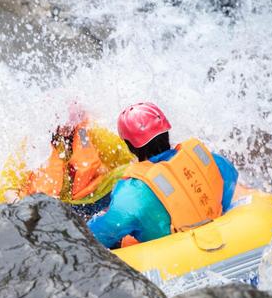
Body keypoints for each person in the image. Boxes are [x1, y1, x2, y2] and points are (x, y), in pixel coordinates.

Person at [88, 102, 238, 248]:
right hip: (227, 237)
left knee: (121, 234)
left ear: (130, 147)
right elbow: (231, 177)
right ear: (166, 131)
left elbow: (96, 237)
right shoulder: (206, 159)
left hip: (175, 258)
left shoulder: (132, 192)